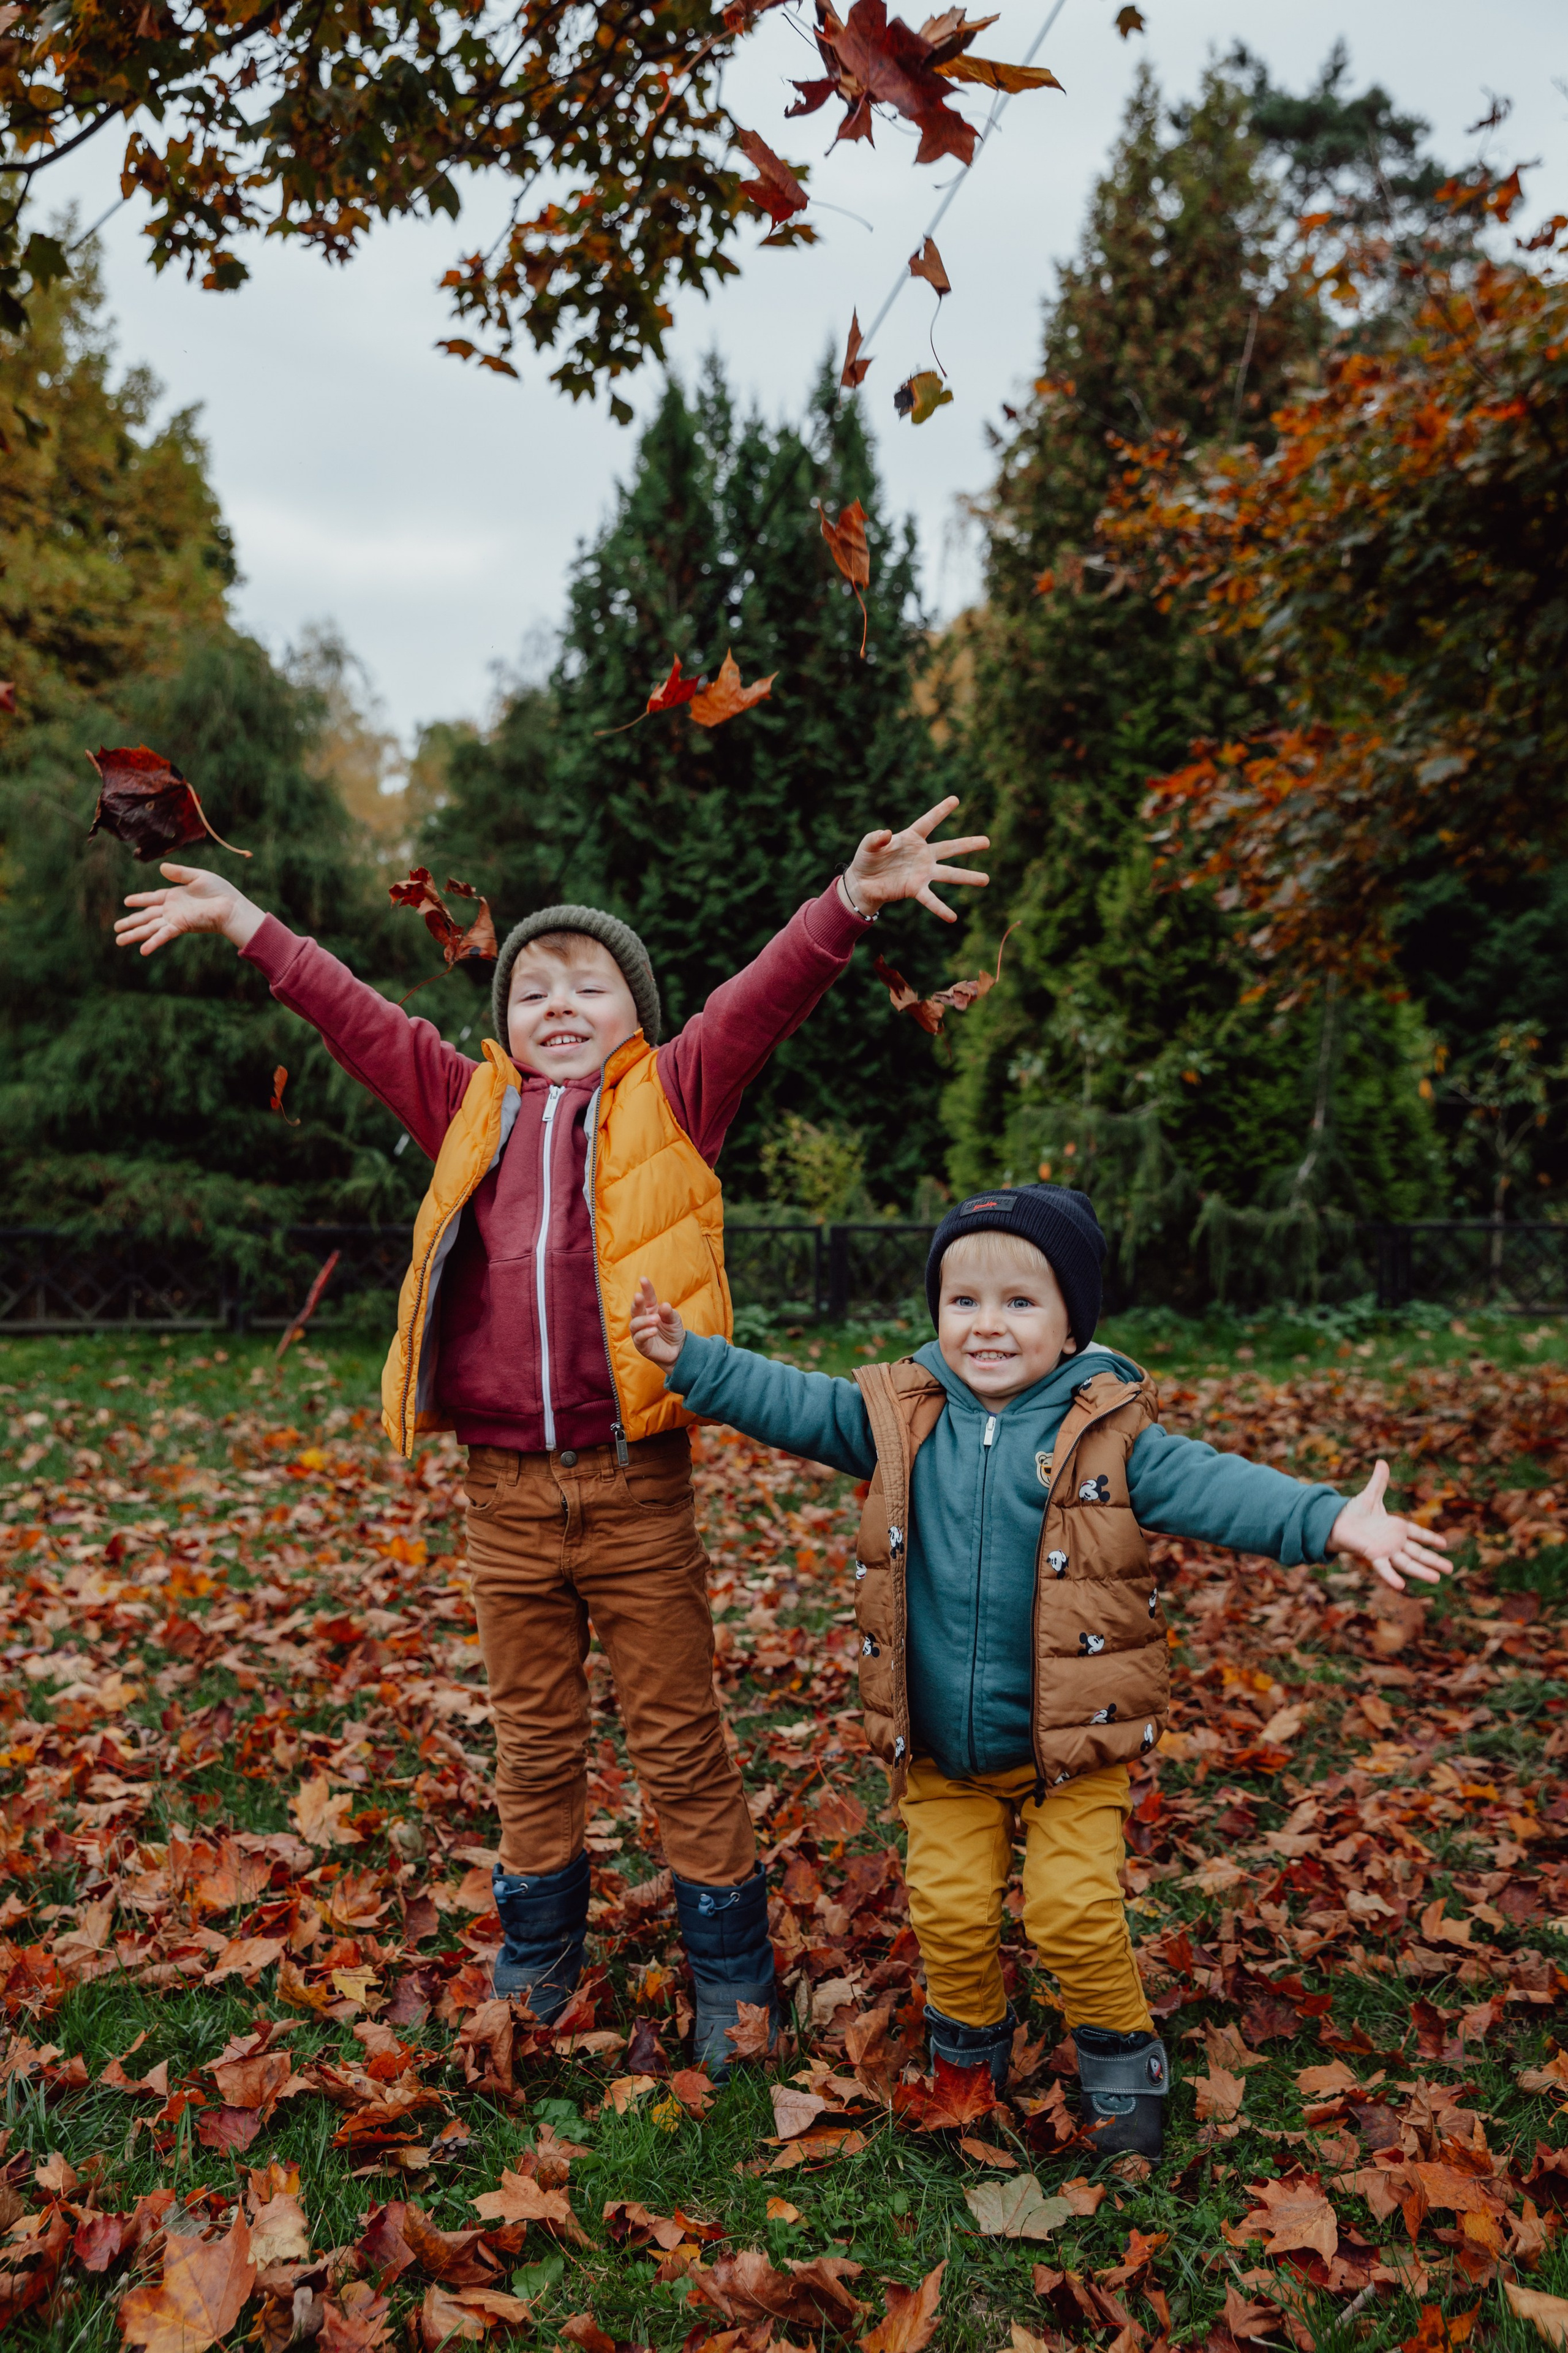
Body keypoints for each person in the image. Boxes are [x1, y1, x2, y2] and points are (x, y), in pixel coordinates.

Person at [113, 799, 990, 2073]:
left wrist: (846, 904)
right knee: (530, 1736)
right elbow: (353, 1015)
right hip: (502, 1496)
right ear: (505, 1019)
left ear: (637, 1014)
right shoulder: (467, 1107)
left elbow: (761, 998)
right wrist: (247, 921)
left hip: (636, 1491)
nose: (559, 1004)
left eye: (590, 986)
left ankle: (731, 1970)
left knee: (678, 1733)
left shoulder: (678, 1097)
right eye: (533, 988)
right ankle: (536, 1954)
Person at [629, 1182, 1450, 2154]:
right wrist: (697, 1362)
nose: (987, 1325)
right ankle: (969, 2044)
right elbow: (796, 1402)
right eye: (963, 1300)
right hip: (942, 1744)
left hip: (1074, 1744)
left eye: (1021, 1302)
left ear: (1071, 1328)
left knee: (1071, 1911)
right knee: (948, 1908)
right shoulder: (903, 1418)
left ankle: (1118, 2048)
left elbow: (1216, 1485)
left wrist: (1327, 1518)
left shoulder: (1110, 1435)